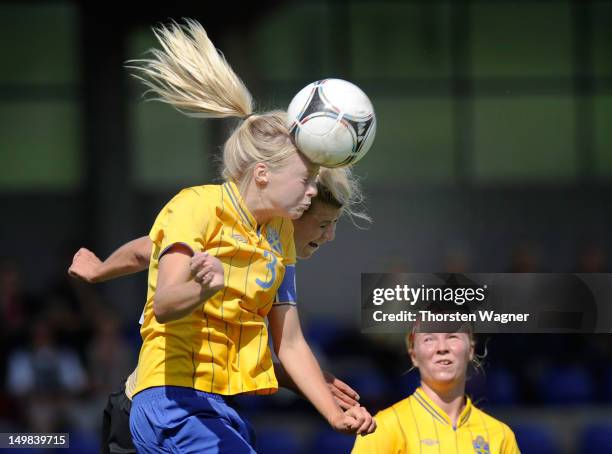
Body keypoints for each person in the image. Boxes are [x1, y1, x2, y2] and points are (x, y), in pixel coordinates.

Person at [84, 19, 374, 453]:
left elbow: (290, 343)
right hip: (168, 401)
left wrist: (331, 411)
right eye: (306, 180)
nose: (312, 192)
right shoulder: (196, 206)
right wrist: (197, 287)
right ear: (262, 174)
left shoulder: (277, 235)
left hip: (218, 407)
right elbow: (164, 301)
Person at [69, 168, 369, 454]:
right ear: (294, 211)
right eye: (323, 223)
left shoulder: (271, 257)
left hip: (202, 407)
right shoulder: (220, 234)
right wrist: (99, 270)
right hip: (158, 409)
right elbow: (148, 248)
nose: (330, 235)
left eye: (335, 224)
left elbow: (245, 357)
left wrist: (308, 382)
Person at [352, 320, 520, 453]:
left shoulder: (501, 435)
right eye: (429, 339)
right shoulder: (383, 427)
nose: (442, 348)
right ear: (414, 356)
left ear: (470, 349)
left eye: (452, 336)